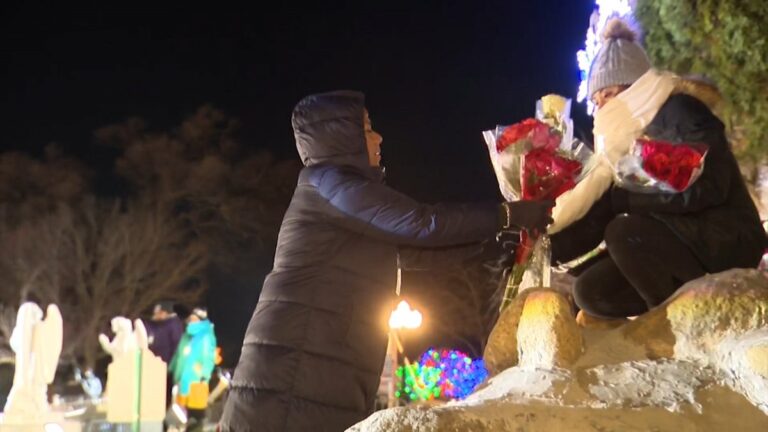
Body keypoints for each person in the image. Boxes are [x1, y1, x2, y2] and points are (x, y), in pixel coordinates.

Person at [219, 90, 554, 431]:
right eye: (366, 128)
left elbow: (407, 253)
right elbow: (419, 223)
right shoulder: (329, 183)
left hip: (320, 366)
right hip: (294, 373)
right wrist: (505, 215)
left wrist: (492, 246)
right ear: (341, 138)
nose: (378, 137)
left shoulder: (335, 193)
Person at [549, 18, 766, 324]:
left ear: (634, 87)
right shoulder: (622, 141)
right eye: (596, 102)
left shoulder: (679, 111)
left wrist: (627, 202)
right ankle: (667, 311)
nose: (602, 109)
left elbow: (711, 187)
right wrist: (546, 243)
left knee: (623, 232)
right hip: (677, 239)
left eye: (608, 95)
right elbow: (602, 212)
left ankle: (674, 323)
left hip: (727, 238)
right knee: (589, 290)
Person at [170, 307, 217, 430]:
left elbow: (209, 356)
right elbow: (179, 356)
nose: (191, 321)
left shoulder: (205, 336)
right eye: (190, 319)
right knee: (181, 413)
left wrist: (204, 373)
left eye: (194, 319)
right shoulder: (187, 335)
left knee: (195, 414)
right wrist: (173, 370)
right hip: (184, 379)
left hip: (197, 380)